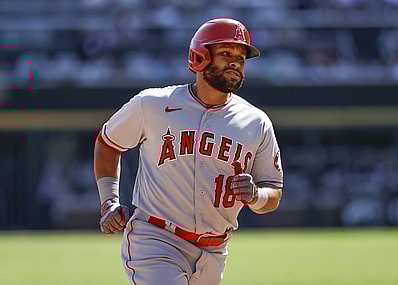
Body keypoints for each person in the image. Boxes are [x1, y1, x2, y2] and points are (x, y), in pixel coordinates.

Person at [94, 18, 283, 285]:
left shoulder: (256, 122)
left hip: (215, 251)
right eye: (226, 53)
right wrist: (109, 201)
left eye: (241, 57)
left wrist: (256, 195)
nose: (235, 62)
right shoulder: (153, 104)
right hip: (156, 239)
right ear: (200, 57)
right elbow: (108, 143)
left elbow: (273, 192)